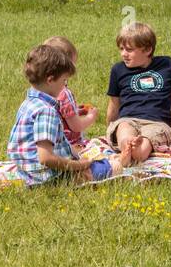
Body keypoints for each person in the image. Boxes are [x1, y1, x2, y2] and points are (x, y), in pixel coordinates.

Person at [7, 43, 128, 185]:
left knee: (94, 160)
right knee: (111, 168)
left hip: (25, 172)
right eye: (64, 80)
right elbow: (45, 158)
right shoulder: (46, 111)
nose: (65, 85)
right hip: (48, 177)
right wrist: (79, 165)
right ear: (50, 79)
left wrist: (78, 155)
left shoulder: (28, 103)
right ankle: (119, 161)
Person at [105, 22, 171, 163]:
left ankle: (134, 152)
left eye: (129, 50)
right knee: (124, 131)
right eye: (121, 49)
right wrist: (110, 126)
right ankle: (126, 146)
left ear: (147, 50)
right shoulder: (118, 70)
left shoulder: (166, 64)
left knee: (143, 147)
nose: (123, 54)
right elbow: (114, 105)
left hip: (158, 122)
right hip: (128, 118)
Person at [43, 35, 97, 149]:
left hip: (46, 144)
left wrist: (75, 110)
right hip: (68, 146)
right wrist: (91, 117)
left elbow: (59, 113)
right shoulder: (64, 93)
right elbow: (76, 126)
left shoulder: (42, 90)